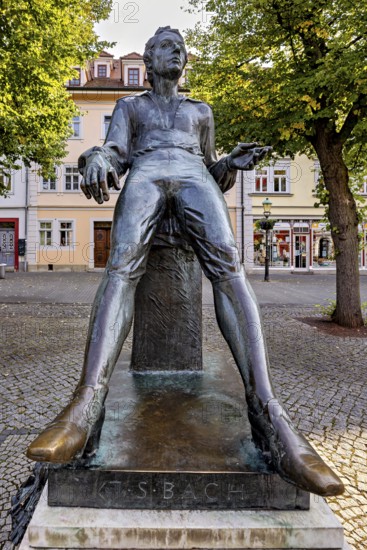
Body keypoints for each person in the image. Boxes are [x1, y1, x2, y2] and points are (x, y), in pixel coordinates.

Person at [27, 26, 343, 497]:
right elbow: (115, 153)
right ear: (149, 62)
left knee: (230, 268)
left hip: (196, 175)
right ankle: (84, 407)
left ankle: (270, 414)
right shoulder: (131, 107)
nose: (177, 53)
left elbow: (211, 166)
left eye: (181, 48)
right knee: (121, 267)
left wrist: (230, 165)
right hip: (148, 172)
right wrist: (92, 154)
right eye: (166, 47)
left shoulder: (200, 111)